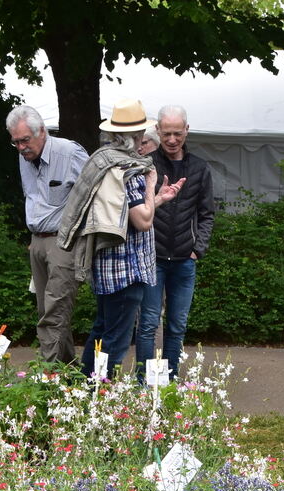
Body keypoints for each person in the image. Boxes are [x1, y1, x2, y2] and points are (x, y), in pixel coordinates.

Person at [57, 98, 180, 380]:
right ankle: (99, 394)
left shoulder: (103, 163)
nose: (143, 143)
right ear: (130, 138)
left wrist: (159, 198)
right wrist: (151, 185)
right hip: (127, 271)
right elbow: (143, 220)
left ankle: (86, 387)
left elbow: (125, 214)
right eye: (140, 136)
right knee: (117, 339)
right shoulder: (130, 172)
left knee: (102, 330)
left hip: (106, 266)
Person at [135, 105, 214, 381]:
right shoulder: (146, 165)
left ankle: (169, 381)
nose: (171, 139)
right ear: (157, 131)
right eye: (166, 133)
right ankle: (142, 384)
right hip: (151, 257)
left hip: (183, 259)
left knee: (177, 325)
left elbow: (207, 215)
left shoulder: (200, 168)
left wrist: (197, 249)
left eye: (177, 133)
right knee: (147, 324)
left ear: (187, 131)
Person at [6, 105, 88, 364]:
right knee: (47, 309)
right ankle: (68, 376)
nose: (20, 147)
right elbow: (33, 196)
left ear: (42, 131)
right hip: (38, 241)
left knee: (54, 311)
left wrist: (82, 239)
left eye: (25, 140)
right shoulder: (25, 156)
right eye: (15, 142)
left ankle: (47, 377)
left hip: (64, 240)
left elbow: (93, 194)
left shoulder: (69, 153)